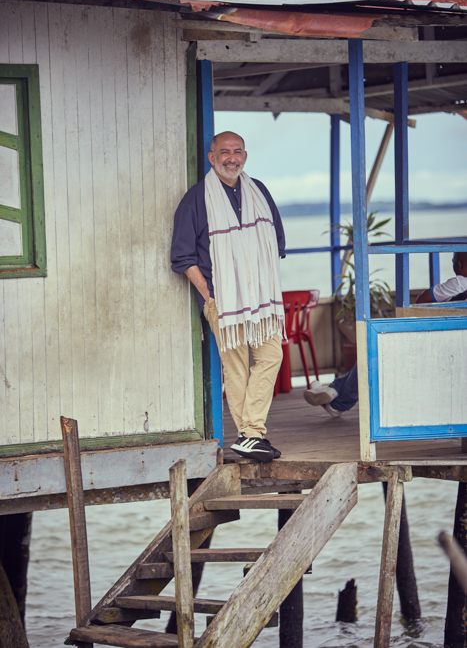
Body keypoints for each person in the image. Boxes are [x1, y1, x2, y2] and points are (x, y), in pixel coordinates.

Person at [171, 131, 286, 463]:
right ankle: (253, 435)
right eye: (224, 152)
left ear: (245, 157)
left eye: (237, 152)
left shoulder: (259, 192)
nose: (231, 157)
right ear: (212, 157)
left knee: (270, 356)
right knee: (236, 369)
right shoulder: (196, 199)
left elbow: (276, 242)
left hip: (261, 300)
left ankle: (250, 435)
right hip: (222, 302)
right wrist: (210, 295)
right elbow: (182, 257)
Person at [303, 251, 467, 416]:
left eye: (453, 261)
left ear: (459, 264)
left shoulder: (459, 283)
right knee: (377, 352)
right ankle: (334, 391)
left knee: (376, 352)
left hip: (438, 349)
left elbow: (421, 300)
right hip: (456, 350)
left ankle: (336, 398)